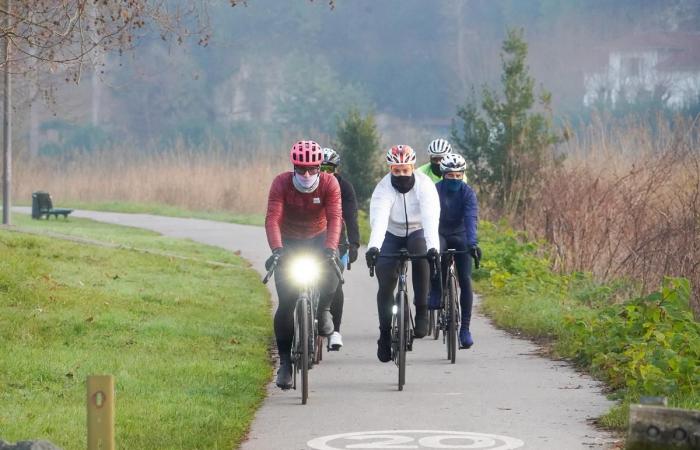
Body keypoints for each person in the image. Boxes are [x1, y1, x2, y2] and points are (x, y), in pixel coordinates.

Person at [265, 140, 343, 389]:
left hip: (319, 239)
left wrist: (331, 249)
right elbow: (272, 219)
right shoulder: (281, 183)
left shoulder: (330, 183)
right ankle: (285, 363)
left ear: (320, 167)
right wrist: (277, 250)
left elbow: (335, 219)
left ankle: (323, 311)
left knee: (331, 275)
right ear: (293, 167)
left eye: (312, 169)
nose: (306, 174)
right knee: (286, 303)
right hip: (288, 241)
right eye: (301, 169)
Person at [365, 145, 441, 363]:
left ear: (412, 168)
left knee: (421, 255)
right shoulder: (383, 188)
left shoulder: (425, 186)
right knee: (386, 281)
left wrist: (433, 247)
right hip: (391, 232)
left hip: (417, 231)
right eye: (396, 171)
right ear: (390, 168)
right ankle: (385, 334)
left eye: (405, 170)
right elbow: (378, 221)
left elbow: (430, 220)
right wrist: (373, 248)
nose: (400, 175)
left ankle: (422, 311)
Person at [432, 153, 481, 349]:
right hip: (440, 231)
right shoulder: (435, 191)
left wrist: (473, 244)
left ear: (463, 175)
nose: (454, 179)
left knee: (466, 279)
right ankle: (436, 290)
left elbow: (470, 218)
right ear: (443, 175)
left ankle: (465, 329)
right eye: (450, 176)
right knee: (435, 255)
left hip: (460, 233)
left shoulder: (468, 193)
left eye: (458, 176)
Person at [320, 147, 360, 351]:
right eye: (321, 168)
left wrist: (354, 244)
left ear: (336, 169)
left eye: (329, 168)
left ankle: (335, 330)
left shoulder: (344, 187)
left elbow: (351, 217)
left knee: (336, 285)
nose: (325, 172)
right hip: (312, 240)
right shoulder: (309, 185)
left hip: (338, 241)